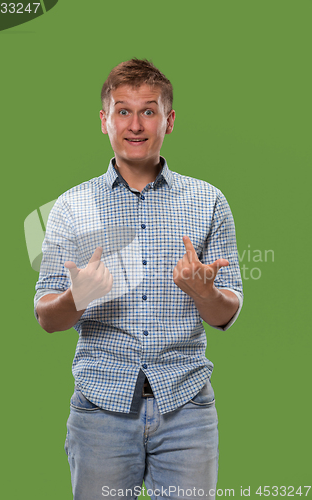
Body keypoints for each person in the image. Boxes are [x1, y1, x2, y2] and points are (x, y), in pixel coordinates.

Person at [34, 58, 243, 500]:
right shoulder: (71, 208)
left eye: (148, 111)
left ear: (168, 120)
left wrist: (205, 293)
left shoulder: (208, 201)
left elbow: (228, 312)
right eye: (122, 111)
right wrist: (79, 297)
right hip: (100, 413)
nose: (135, 124)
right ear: (104, 120)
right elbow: (47, 317)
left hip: (187, 409)